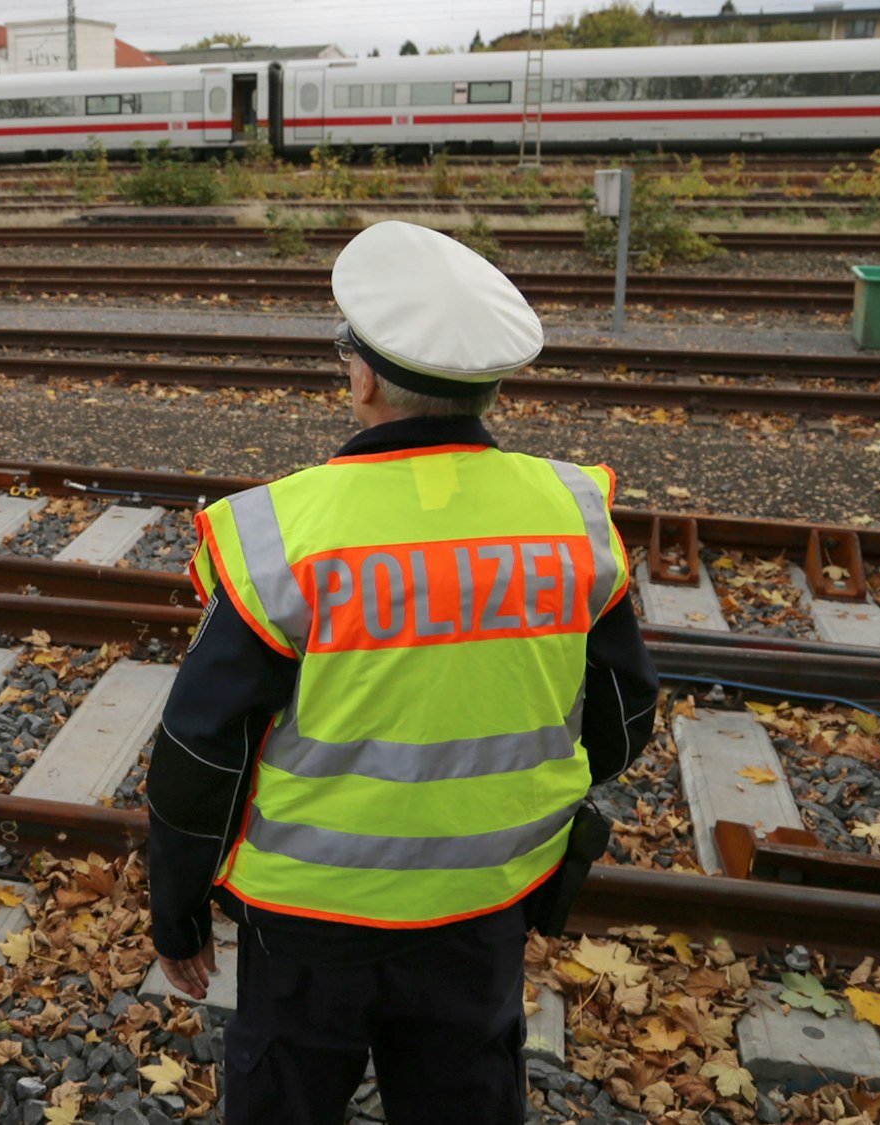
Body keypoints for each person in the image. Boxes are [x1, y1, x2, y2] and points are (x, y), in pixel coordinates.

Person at [143, 222, 659, 1125]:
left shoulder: (285, 531)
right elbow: (621, 717)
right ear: (490, 385)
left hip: (308, 925)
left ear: (363, 377)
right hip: (485, 908)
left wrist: (178, 912)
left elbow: (201, 755)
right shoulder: (571, 516)